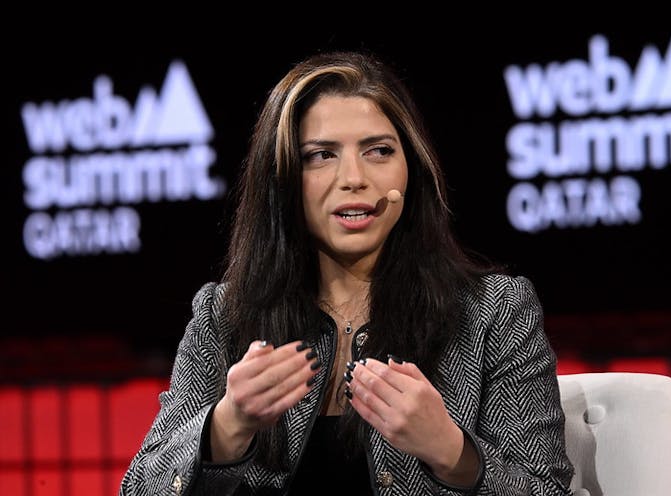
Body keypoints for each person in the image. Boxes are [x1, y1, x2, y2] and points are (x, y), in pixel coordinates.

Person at [119, 49, 574, 495]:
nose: (353, 177)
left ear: (409, 169)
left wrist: (451, 452)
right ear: (282, 178)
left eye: (378, 151)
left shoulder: (494, 312)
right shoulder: (224, 315)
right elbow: (139, 488)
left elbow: (545, 488)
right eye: (321, 155)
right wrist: (227, 423)